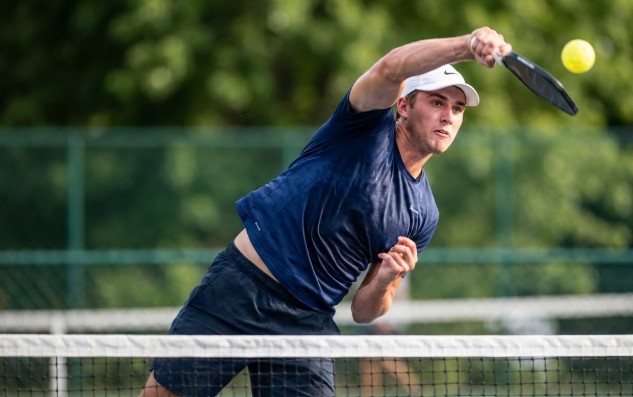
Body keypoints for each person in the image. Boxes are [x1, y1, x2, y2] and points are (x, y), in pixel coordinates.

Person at [139, 27, 511, 397]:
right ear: (404, 105)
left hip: (306, 323)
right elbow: (390, 69)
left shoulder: (422, 214)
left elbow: (365, 312)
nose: (448, 116)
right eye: (437, 102)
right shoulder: (364, 126)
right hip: (240, 288)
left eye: (457, 109)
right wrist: (466, 46)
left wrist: (385, 279)